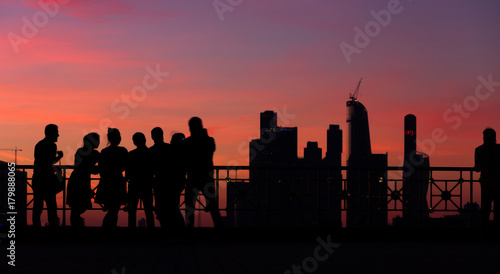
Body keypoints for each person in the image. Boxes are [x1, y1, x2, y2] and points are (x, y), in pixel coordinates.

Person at [184, 117, 222, 228]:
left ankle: (189, 233)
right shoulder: (210, 140)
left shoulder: (189, 142)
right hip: (207, 178)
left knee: (190, 207)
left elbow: (185, 156)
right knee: (212, 206)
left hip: (193, 177)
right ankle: (220, 233)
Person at [95, 128, 128, 228]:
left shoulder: (104, 151)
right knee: (115, 210)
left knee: (111, 209)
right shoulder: (122, 150)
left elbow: (101, 169)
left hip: (106, 182)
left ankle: (107, 230)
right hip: (118, 182)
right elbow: (126, 165)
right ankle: (109, 230)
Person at [32, 124, 64, 227]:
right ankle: (52, 229)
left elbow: (42, 162)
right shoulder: (51, 145)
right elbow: (49, 162)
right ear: (52, 133)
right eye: (57, 132)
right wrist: (59, 157)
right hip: (47, 180)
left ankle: (36, 228)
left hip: (37, 178)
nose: (58, 135)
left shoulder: (39, 144)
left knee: (38, 206)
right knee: (51, 206)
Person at [67, 133, 100, 227]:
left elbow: (78, 166)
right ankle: (78, 226)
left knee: (75, 208)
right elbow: (90, 168)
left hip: (75, 180)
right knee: (79, 207)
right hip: (82, 182)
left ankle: (76, 226)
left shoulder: (80, 151)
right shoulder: (95, 154)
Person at [126, 132, 155, 228]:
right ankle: (151, 231)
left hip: (134, 184)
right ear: (145, 140)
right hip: (147, 184)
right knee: (148, 210)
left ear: (134, 142)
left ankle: (132, 231)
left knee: (132, 210)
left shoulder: (131, 154)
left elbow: (128, 172)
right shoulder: (151, 153)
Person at [474, 127, 500, 227]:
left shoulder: (479, 150)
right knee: (498, 209)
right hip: (498, 182)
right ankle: (496, 232)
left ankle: (484, 232)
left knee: (485, 209)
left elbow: (477, 168)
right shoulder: (499, 149)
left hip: (486, 183)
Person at [149, 127, 171, 227]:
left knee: (160, 206)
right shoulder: (169, 148)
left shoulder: (151, 151)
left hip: (158, 181)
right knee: (169, 206)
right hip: (168, 181)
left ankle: (164, 228)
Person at [167, 132, 187, 229]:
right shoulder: (184, 152)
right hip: (179, 182)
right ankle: (179, 228)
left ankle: (177, 228)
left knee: (172, 207)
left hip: (172, 182)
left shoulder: (172, 152)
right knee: (174, 206)